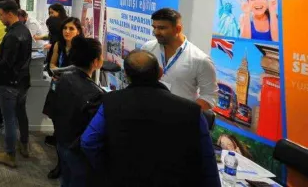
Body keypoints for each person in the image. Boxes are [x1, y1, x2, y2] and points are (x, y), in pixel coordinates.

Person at [81, 51, 221, 187]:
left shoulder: (110, 102)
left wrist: (107, 168)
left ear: (126, 75)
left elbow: (88, 141)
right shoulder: (192, 111)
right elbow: (208, 161)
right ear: (160, 73)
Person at [0, 0, 32, 168]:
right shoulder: (24, 30)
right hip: (23, 81)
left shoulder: (11, 36)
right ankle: (24, 145)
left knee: (9, 119)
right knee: (21, 114)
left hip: (9, 83)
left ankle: (10, 154)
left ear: (10, 14)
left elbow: (5, 64)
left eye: (1, 15)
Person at [52, 37, 105, 187]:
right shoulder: (95, 94)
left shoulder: (64, 78)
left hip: (63, 141)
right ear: (95, 62)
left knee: (66, 180)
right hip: (78, 149)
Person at [141, 8, 218, 110]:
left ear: (178, 29)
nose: (156, 32)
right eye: (154, 27)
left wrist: (185, 113)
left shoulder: (200, 59)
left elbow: (209, 96)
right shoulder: (148, 48)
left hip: (179, 118)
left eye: (162, 28)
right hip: (148, 112)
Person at [44, 18, 84, 178]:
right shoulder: (58, 45)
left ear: (78, 31)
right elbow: (52, 65)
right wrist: (56, 72)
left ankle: (68, 165)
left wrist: (60, 72)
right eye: (65, 28)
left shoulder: (82, 48)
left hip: (74, 92)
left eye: (71, 28)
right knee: (57, 126)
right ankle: (60, 164)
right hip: (58, 89)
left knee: (71, 130)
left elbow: (81, 70)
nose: (67, 31)